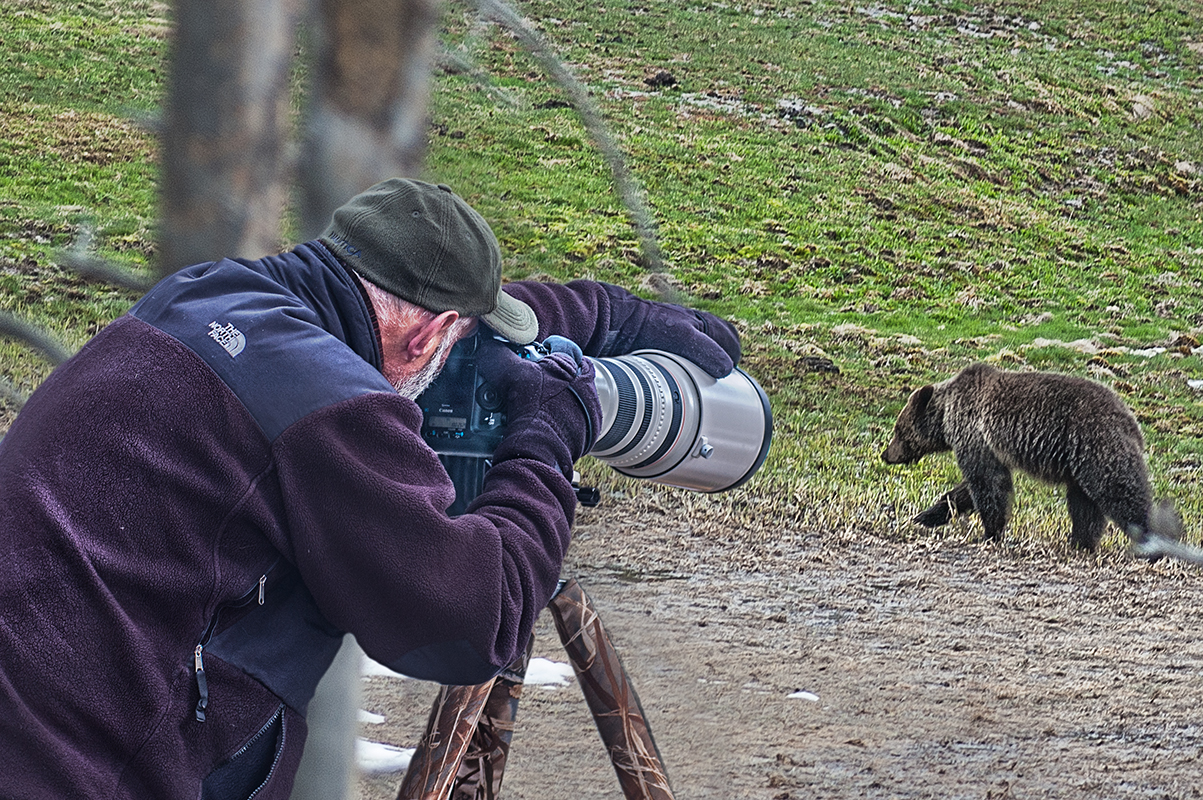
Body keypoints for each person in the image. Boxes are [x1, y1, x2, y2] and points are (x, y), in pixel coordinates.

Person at [0, 178, 740, 799]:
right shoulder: (333, 411)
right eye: (453, 340)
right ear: (429, 335)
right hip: (85, 771)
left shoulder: (204, 296)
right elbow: (475, 624)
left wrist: (608, 315)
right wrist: (551, 428)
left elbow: (441, 323)